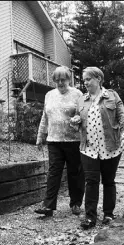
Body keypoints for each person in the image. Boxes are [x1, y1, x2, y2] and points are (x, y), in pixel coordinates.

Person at [70, 66, 124, 229]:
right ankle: (90, 217)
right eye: (84, 80)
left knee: (108, 181)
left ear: (98, 79)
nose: (85, 83)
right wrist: (75, 122)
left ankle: (108, 214)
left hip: (110, 147)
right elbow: (79, 123)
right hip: (88, 148)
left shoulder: (112, 96)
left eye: (88, 79)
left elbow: (122, 118)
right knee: (91, 182)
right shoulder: (82, 100)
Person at [34, 66, 85, 217]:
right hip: (54, 140)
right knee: (53, 172)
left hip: (73, 140)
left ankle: (76, 203)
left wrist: (79, 121)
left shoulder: (77, 94)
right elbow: (45, 116)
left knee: (74, 173)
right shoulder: (49, 95)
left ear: (69, 79)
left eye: (63, 79)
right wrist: (40, 136)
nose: (60, 82)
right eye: (57, 80)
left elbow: (84, 115)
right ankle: (48, 206)